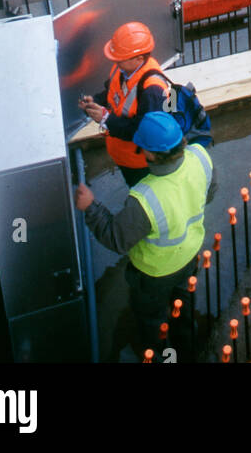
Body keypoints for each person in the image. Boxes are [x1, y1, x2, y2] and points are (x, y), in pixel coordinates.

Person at [74, 112, 213, 360]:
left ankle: (157, 351)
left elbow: (116, 238)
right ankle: (187, 343)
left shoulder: (145, 197)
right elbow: (209, 192)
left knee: (151, 316)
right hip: (191, 254)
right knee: (184, 302)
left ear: (150, 154)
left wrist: (90, 207)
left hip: (154, 273)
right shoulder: (200, 158)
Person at [79, 22, 171, 187]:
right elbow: (111, 92)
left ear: (139, 59)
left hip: (140, 164)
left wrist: (106, 118)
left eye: (119, 58)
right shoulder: (121, 68)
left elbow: (145, 133)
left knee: (142, 195)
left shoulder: (153, 91)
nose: (115, 61)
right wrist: (95, 102)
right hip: (122, 154)